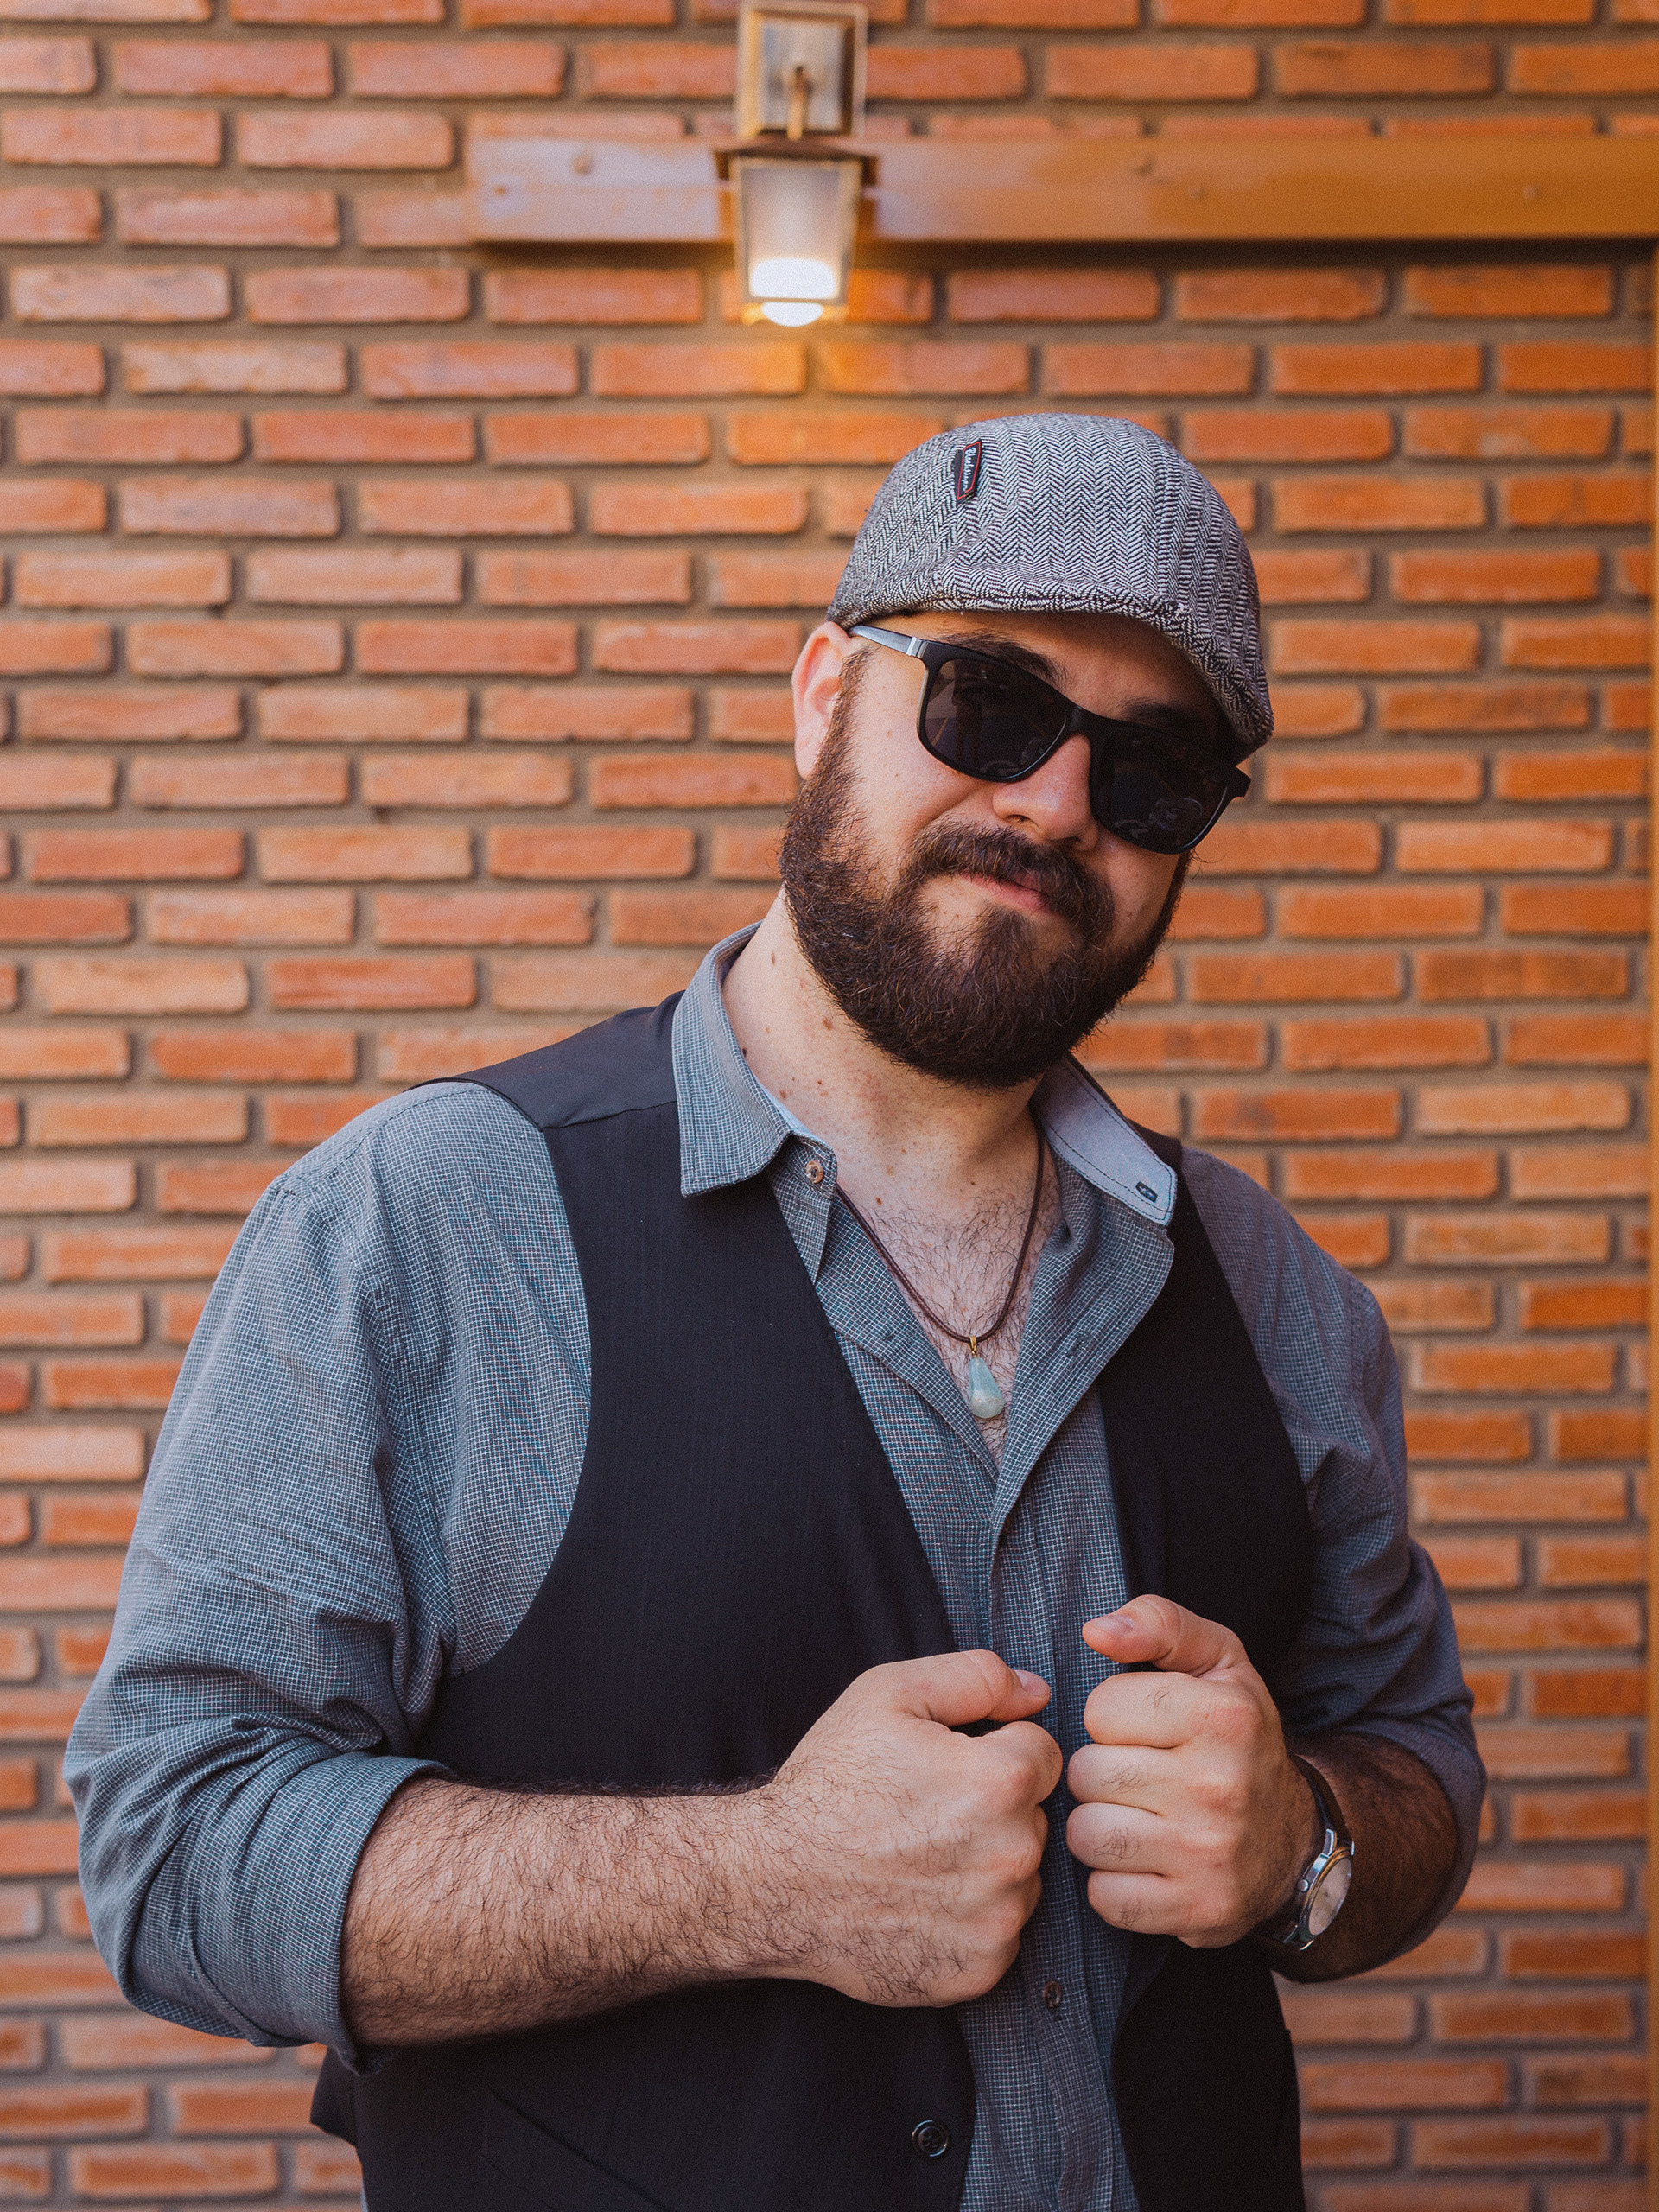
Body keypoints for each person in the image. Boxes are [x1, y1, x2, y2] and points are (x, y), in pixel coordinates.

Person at [68, 414, 1481, 2212]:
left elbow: (1417, 1765)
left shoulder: (1277, 1294)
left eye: (1154, 772)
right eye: (989, 702)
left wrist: (1302, 1848)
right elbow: (178, 1849)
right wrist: (762, 1876)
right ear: (824, 695)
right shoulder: (431, 1219)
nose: (1057, 802)